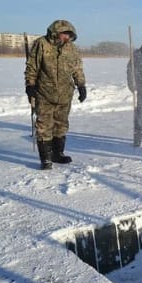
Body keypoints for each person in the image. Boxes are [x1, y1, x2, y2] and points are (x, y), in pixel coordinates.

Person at [25, 19, 86, 170]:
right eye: (65, 34)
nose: (67, 37)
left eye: (69, 35)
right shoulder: (42, 44)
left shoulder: (72, 49)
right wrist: (30, 85)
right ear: (56, 33)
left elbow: (77, 68)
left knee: (61, 125)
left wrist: (81, 85)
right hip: (44, 93)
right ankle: (46, 159)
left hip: (65, 94)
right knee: (44, 126)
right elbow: (32, 66)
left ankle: (57, 154)